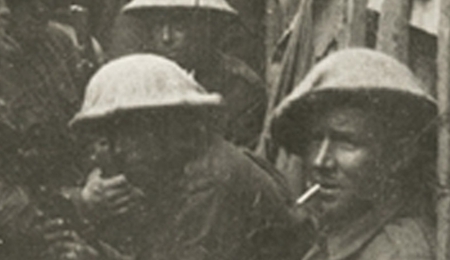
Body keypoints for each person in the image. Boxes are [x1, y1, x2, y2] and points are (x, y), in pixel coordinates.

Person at [68, 54, 297, 260]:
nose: (118, 150)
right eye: (112, 137)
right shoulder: (188, 167)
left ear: (167, 125)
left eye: (130, 134)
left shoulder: (209, 182)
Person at [267, 48, 438, 260]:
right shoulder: (344, 230)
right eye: (316, 139)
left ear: (399, 156)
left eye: (346, 142)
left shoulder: (397, 254)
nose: (321, 161)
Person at [116, 0, 267, 148]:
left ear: (205, 28)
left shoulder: (238, 86)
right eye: (158, 26)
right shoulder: (145, 81)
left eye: (179, 27)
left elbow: (242, 160)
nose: (166, 38)